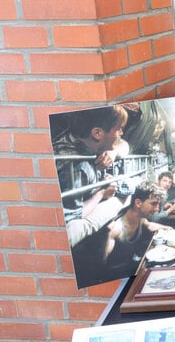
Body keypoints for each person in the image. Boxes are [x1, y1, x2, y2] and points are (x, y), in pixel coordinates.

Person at [52, 104, 131, 247]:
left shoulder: (74, 137)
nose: (121, 133)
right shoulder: (77, 167)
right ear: (97, 133)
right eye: (118, 128)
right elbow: (73, 216)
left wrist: (113, 152)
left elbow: (124, 145)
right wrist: (101, 193)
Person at [103, 181, 172, 276]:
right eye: (154, 204)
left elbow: (150, 226)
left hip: (130, 267)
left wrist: (169, 228)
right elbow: (101, 265)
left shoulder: (141, 218)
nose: (157, 209)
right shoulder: (116, 229)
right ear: (138, 203)